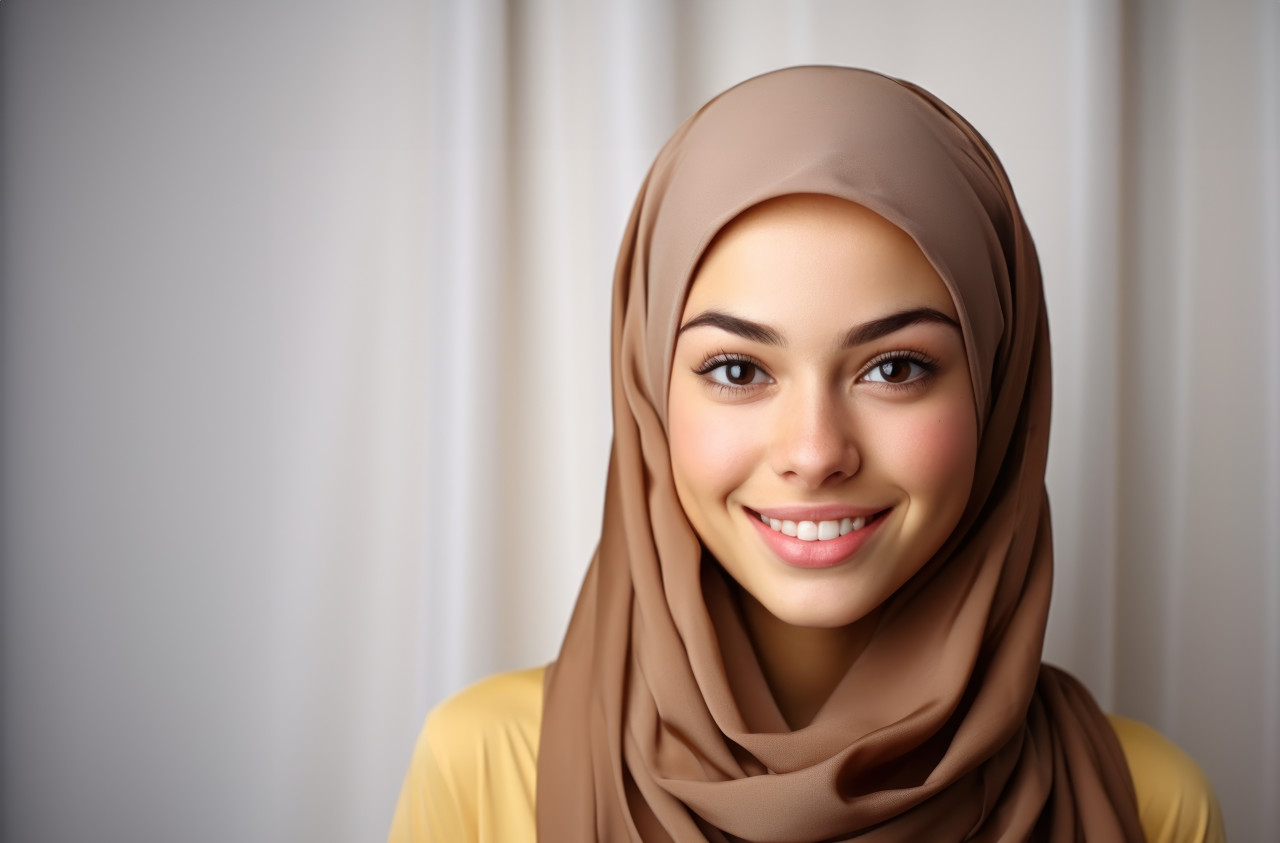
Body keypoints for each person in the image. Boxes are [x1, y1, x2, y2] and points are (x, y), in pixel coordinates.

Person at [390, 66, 1225, 842]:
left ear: (999, 396)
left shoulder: (1150, 804)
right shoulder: (489, 770)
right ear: (648, 396)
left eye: (895, 368)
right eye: (738, 369)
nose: (816, 451)